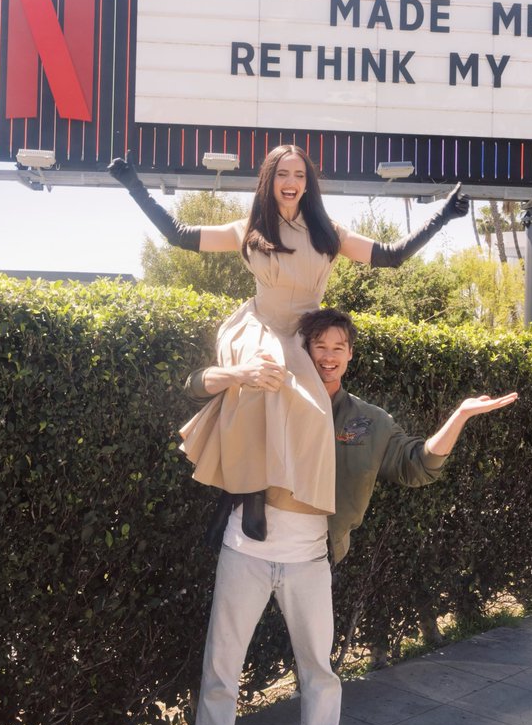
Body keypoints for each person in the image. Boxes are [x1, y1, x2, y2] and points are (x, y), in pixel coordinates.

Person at [185, 307, 518, 725]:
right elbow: (197, 385)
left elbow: (416, 464)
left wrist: (458, 417)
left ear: (351, 356)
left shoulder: (367, 420)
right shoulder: (268, 393)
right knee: (221, 669)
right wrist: (241, 373)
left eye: (339, 347)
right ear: (302, 349)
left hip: (311, 558)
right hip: (245, 548)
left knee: (320, 670)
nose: (328, 356)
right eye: (319, 345)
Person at [108, 147, 469, 533]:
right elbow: (178, 235)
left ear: (308, 183)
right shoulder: (247, 229)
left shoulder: (328, 233)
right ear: (270, 180)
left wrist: (443, 215)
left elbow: (392, 256)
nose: (291, 182)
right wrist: (134, 184)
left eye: (299, 175)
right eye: (283, 174)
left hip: (304, 332)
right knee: (261, 378)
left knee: (313, 414)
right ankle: (248, 494)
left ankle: (301, 505)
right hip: (260, 324)